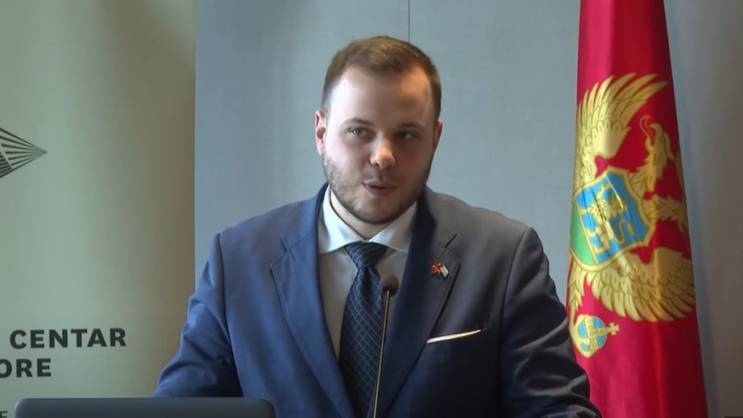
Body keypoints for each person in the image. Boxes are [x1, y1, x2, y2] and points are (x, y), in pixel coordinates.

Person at [154, 36, 601, 418]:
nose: (383, 156)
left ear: (435, 138)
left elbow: (557, 411)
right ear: (320, 133)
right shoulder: (239, 261)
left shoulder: (503, 258)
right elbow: (181, 409)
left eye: (406, 134)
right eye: (359, 132)